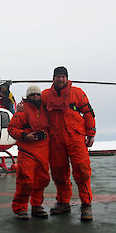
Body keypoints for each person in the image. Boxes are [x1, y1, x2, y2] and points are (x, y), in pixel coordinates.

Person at [41, 66, 96, 221]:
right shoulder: (45, 96)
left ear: (67, 78)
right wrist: (21, 109)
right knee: (58, 172)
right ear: (53, 78)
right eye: (57, 76)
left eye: (63, 76)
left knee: (82, 170)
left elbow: (88, 113)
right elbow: (36, 113)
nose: (60, 79)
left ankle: (86, 204)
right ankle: (63, 202)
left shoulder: (77, 93)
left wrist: (91, 133)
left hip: (76, 139)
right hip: (55, 140)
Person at [8, 85, 50, 220]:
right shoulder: (22, 110)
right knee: (25, 181)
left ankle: (37, 206)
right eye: (33, 95)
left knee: (42, 180)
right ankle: (20, 208)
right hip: (27, 151)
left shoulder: (46, 109)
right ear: (28, 97)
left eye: (38, 95)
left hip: (43, 151)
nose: (36, 97)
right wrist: (25, 136)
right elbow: (12, 128)